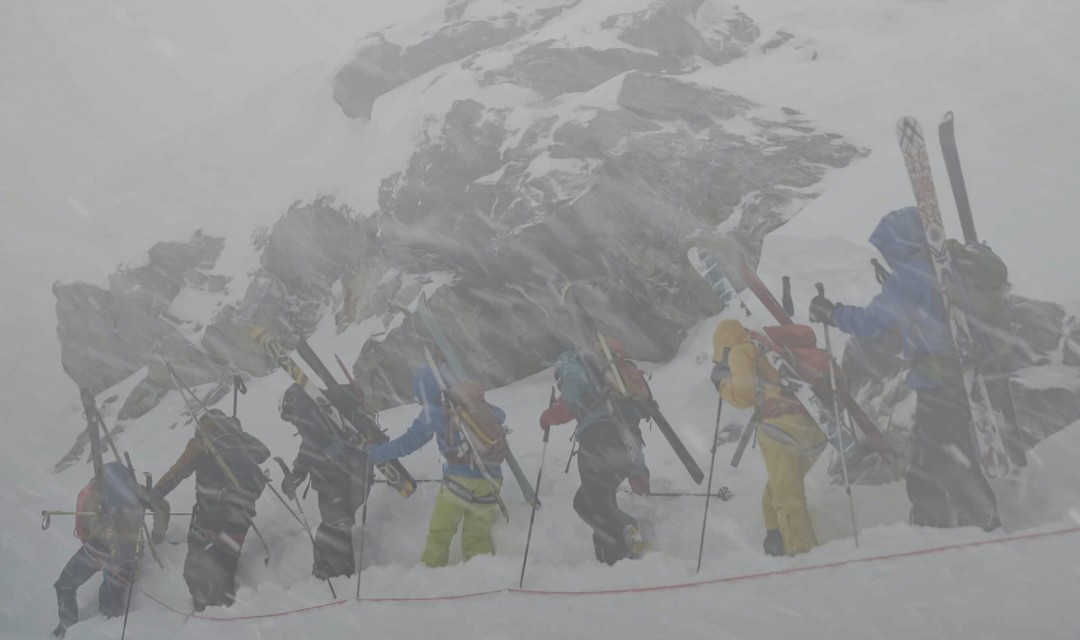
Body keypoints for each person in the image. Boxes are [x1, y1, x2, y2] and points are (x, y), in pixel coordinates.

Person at [808, 206, 999, 531]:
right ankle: (936, 519)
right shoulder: (943, 265)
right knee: (937, 453)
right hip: (958, 373)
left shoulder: (911, 275)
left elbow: (872, 322)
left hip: (938, 380)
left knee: (944, 454)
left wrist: (832, 313)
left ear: (897, 244)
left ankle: (973, 521)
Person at [366, 366, 506, 568]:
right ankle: (484, 576)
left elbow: (408, 443)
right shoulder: (471, 404)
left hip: (459, 482)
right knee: (477, 536)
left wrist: (376, 453)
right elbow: (500, 416)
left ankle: (429, 576)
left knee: (440, 534)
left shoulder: (433, 412)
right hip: (491, 480)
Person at [711, 319, 826, 556]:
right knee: (778, 488)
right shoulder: (768, 346)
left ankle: (802, 554)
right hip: (812, 424)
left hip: (779, 427)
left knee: (786, 494)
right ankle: (775, 538)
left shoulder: (741, 351)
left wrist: (722, 384)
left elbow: (744, 394)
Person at [539, 337, 651, 565]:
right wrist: (639, 473)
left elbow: (569, 402)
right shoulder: (620, 386)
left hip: (598, 441)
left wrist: (547, 417)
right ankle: (609, 560)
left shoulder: (571, 364)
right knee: (594, 502)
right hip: (625, 445)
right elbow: (631, 442)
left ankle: (621, 545)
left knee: (592, 505)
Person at [153, 409, 270, 611]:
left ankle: (205, 611)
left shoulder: (201, 443)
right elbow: (264, 452)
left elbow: (176, 473)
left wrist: (151, 497)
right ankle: (226, 612)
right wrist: (238, 433)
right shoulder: (240, 440)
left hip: (211, 513)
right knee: (225, 563)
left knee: (195, 568)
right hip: (241, 513)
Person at [53, 461, 170, 637]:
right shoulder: (137, 490)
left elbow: (86, 522)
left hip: (97, 549)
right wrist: (157, 536)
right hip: (125, 556)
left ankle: (67, 628)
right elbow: (163, 507)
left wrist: (99, 530)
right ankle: (89, 628)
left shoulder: (100, 489)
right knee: (110, 610)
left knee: (65, 584)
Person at [278, 383, 373, 579]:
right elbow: (317, 443)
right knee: (338, 526)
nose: (293, 422)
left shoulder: (303, 406)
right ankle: (335, 574)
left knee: (333, 528)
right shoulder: (328, 406)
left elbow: (311, 444)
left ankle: (332, 576)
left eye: (289, 418)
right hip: (361, 473)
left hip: (335, 478)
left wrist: (297, 474)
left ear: (288, 405)